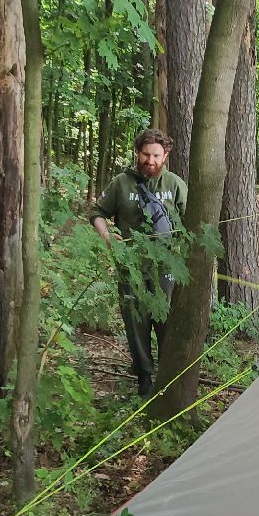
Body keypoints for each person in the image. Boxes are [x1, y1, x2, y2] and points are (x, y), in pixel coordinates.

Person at [90, 128, 187, 398]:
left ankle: (168, 378)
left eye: (156, 155)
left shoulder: (175, 185)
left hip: (167, 269)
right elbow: (97, 213)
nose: (150, 161)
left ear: (165, 155)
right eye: (146, 154)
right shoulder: (122, 183)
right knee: (136, 323)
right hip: (130, 267)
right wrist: (109, 238)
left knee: (166, 322)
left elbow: (191, 224)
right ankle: (144, 378)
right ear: (138, 153)